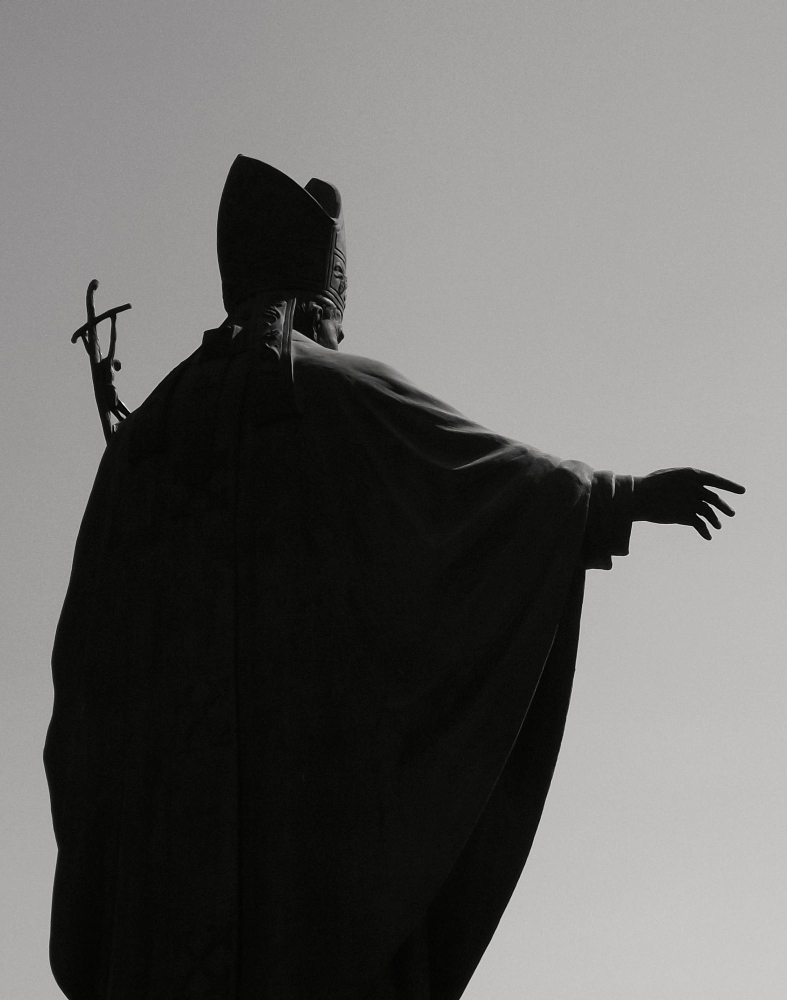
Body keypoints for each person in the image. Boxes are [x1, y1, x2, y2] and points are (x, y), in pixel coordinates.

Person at [45, 155, 744, 1000]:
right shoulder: (331, 391)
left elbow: (84, 687)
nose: (338, 338)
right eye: (335, 322)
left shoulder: (142, 444)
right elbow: (487, 488)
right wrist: (623, 496)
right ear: (315, 303)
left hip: (159, 901)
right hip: (300, 870)